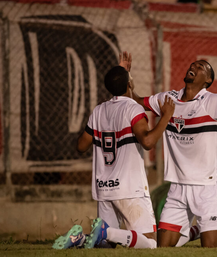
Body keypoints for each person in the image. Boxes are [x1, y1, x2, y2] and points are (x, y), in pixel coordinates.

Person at [123, 51, 217, 248]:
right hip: (177, 187)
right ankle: (199, 230)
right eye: (193, 65)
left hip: (206, 188)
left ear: (208, 80)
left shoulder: (211, 101)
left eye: (201, 67)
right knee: (162, 249)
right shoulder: (168, 99)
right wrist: (126, 77)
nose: (193, 67)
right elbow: (135, 101)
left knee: (211, 248)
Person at [52, 55, 175, 250]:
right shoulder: (133, 109)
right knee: (150, 243)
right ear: (129, 85)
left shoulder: (99, 111)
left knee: (106, 247)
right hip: (129, 187)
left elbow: (81, 146)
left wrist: (120, 75)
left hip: (104, 187)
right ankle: (104, 231)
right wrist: (166, 115)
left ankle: (83, 239)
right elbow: (148, 142)